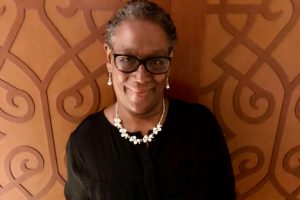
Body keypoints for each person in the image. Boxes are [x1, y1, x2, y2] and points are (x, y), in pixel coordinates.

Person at [64, 0, 236, 199]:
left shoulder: (201, 126)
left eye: (156, 61)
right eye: (127, 59)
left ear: (169, 60)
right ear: (110, 59)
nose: (141, 77)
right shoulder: (85, 142)